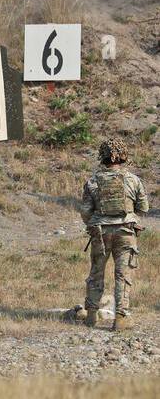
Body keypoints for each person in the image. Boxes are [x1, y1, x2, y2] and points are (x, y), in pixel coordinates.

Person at [74, 138, 149, 331]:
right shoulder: (133, 180)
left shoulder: (92, 181)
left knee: (96, 273)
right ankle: (120, 319)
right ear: (123, 156)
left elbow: (85, 211)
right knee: (123, 276)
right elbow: (143, 207)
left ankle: (91, 316)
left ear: (102, 156)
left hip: (100, 233)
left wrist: (95, 222)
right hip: (126, 233)